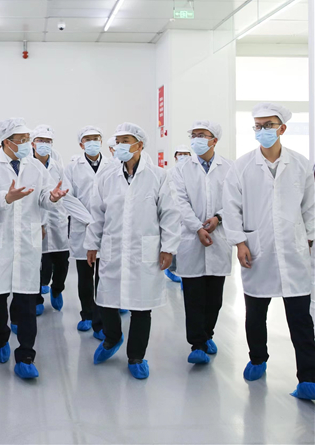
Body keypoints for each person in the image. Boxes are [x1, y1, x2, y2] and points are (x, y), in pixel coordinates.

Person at [223, 102, 315, 400]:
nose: (262, 130)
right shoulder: (242, 167)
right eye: (258, 126)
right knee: (255, 312)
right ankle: (258, 358)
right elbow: (231, 208)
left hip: (294, 251)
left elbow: (310, 207)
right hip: (256, 249)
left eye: (268, 125)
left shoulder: (300, 164)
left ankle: (308, 378)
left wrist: (308, 240)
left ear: (282, 128)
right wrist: (239, 242)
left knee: (301, 318)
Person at [0, 118, 68, 379]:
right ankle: (1, 338)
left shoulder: (35, 166)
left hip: (27, 242)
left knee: (27, 299)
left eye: (28, 139)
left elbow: (44, 196)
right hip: (0, 240)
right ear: (7, 142)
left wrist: (52, 197)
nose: (28, 144)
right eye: (22, 140)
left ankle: (26, 355)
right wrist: (6, 197)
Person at [85, 123, 180, 379]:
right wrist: (92, 243)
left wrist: (169, 248)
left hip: (144, 250)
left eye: (126, 141)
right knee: (106, 299)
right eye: (117, 141)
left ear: (140, 144)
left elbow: (170, 214)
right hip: (113, 247)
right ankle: (112, 338)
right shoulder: (107, 176)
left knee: (141, 305)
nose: (120, 146)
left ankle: (136, 356)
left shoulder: (158, 176)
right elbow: (97, 213)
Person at [171, 121, 232, 365]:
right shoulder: (181, 169)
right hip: (190, 238)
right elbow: (179, 202)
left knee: (214, 299)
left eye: (202, 135)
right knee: (194, 297)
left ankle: (207, 335)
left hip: (219, 238)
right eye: (194, 135)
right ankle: (196, 344)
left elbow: (234, 200)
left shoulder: (229, 168)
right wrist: (197, 227)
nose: (196, 139)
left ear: (214, 140)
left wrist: (218, 218)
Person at [30, 125, 92, 316]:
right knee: (37, 263)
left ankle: (57, 289)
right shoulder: (27, 166)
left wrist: (84, 218)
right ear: (33, 143)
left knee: (62, 262)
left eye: (48, 141)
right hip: (35, 219)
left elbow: (66, 194)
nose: (44, 144)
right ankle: (37, 298)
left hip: (58, 219)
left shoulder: (58, 166)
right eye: (41, 140)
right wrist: (41, 222)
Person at [63, 126, 106, 337]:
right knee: (85, 275)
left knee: (103, 276)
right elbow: (68, 198)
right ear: (81, 144)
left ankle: (101, 319)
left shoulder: (113, 165)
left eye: (95, 138)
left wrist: (101, 221)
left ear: (101, 141)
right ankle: (87, 314)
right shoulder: (72, 168)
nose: (92, 142)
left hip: (107, 229)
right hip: (83, 227)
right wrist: (90, 220)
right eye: (88, 139)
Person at [164, 144, 193, 284]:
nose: (183, 156)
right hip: (174, 213)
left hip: (189, 214)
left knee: (188, 248)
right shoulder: (169, 173)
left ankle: (186, 275)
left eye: (186, 154)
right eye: (180, 154)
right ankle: (171, 270)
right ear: (175, 157)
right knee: (175, 243)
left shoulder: (193, 173)